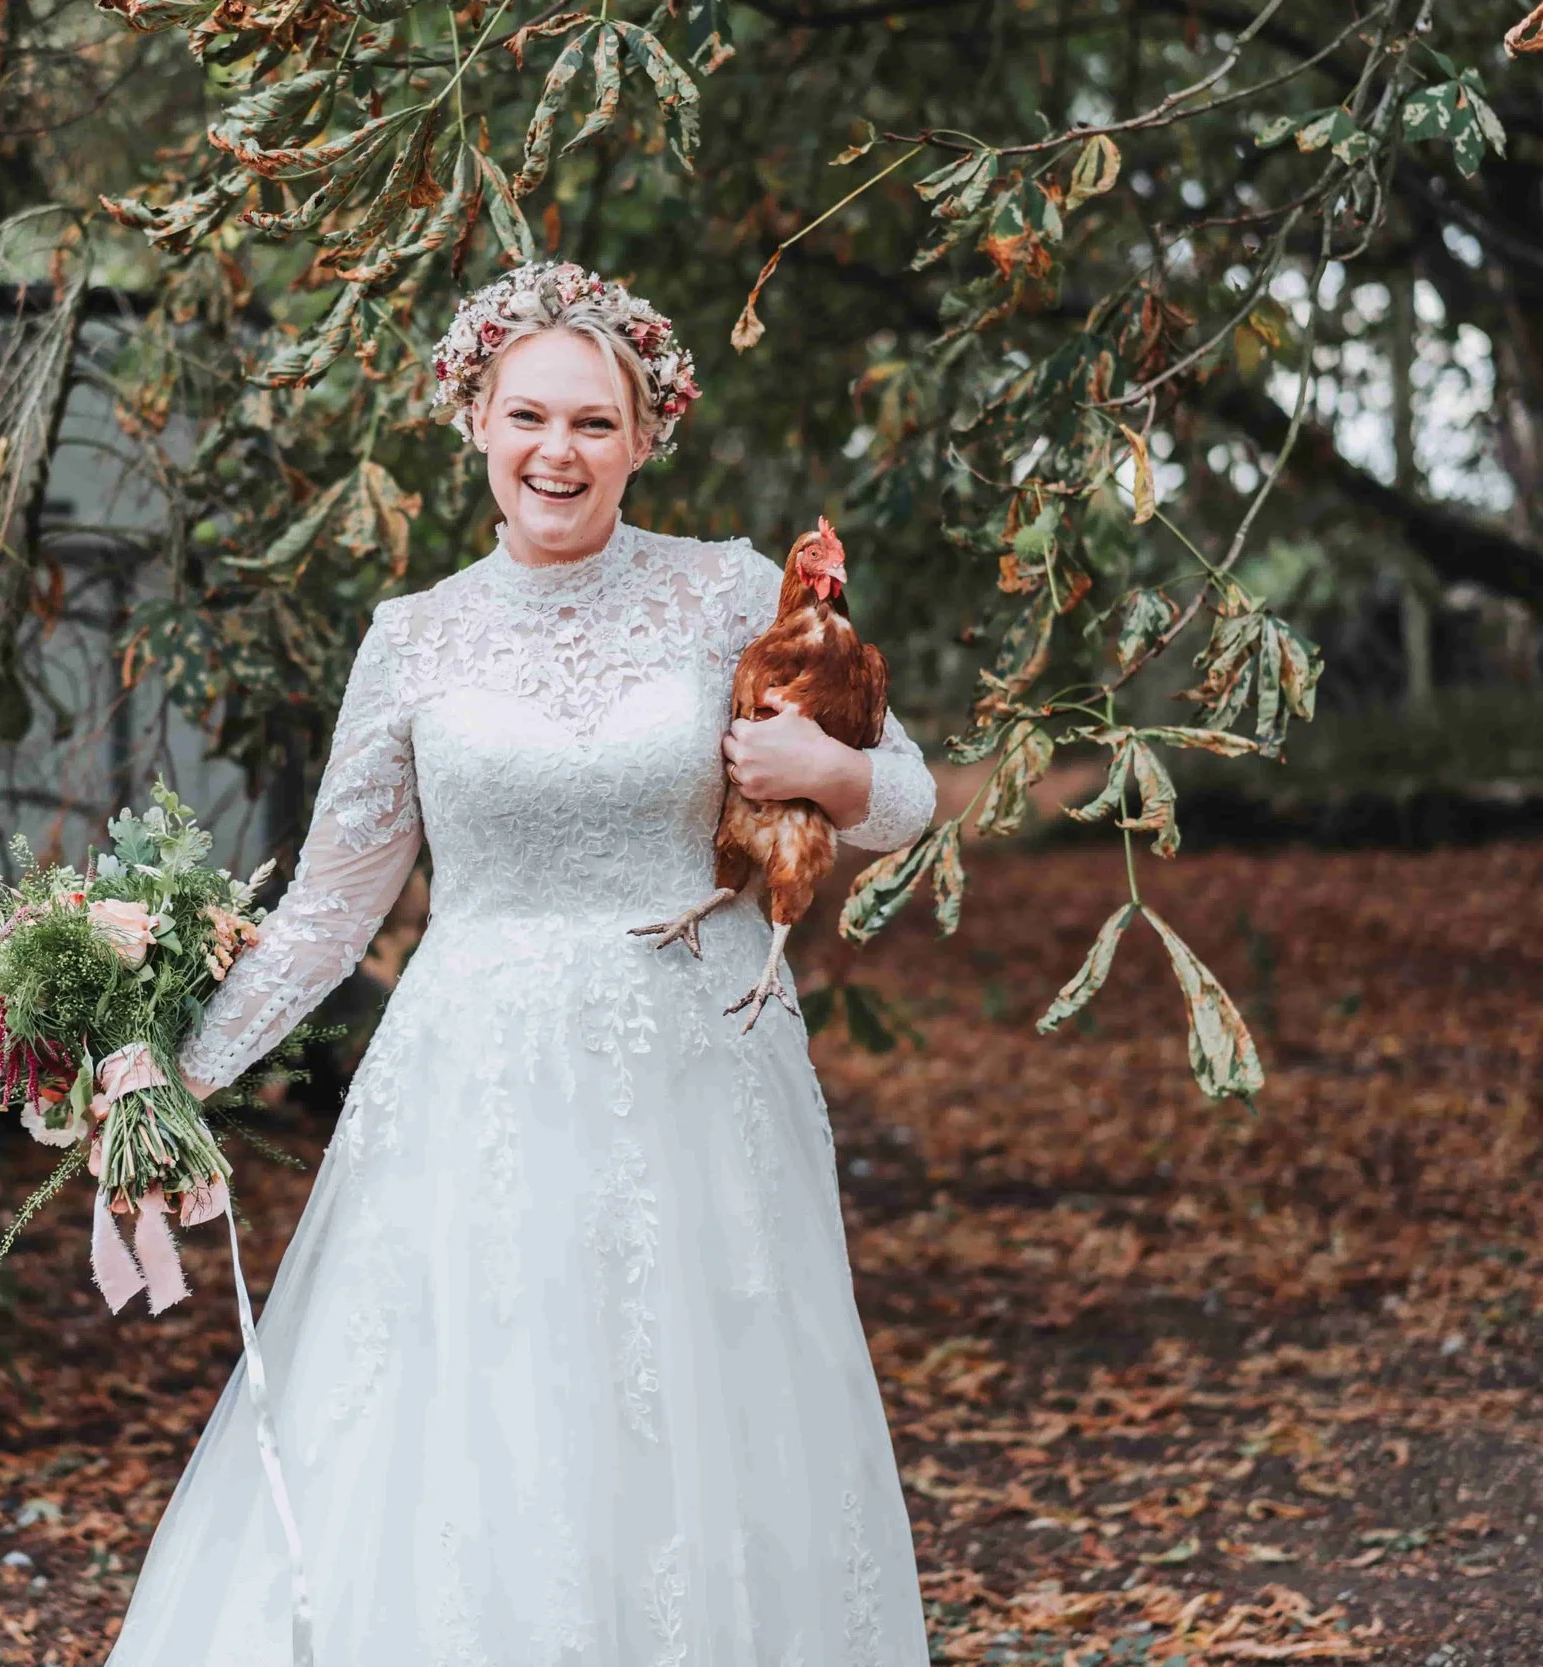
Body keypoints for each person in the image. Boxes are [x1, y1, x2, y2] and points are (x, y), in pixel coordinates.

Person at [109, 261, 936, 1665]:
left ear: (643, 434)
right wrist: (164, 1079)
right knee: (474, 1430)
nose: (560, 452)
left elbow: (906, 792)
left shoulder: (733, 592)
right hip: (473, 1098)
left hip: (699, 1092)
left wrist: (827, 773)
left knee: (694, 1425)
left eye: (595, 423)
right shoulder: (413, 640)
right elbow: (326, 910)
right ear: (474, 418)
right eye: (529, 415)